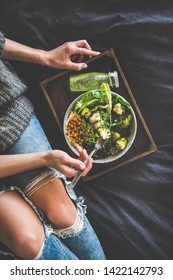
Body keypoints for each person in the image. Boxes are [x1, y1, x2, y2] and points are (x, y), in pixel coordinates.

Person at [0, 31, 106, 260]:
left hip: (5, 115)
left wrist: (46, 57)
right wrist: (46, 159)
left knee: (62, 212)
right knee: (25, 240)